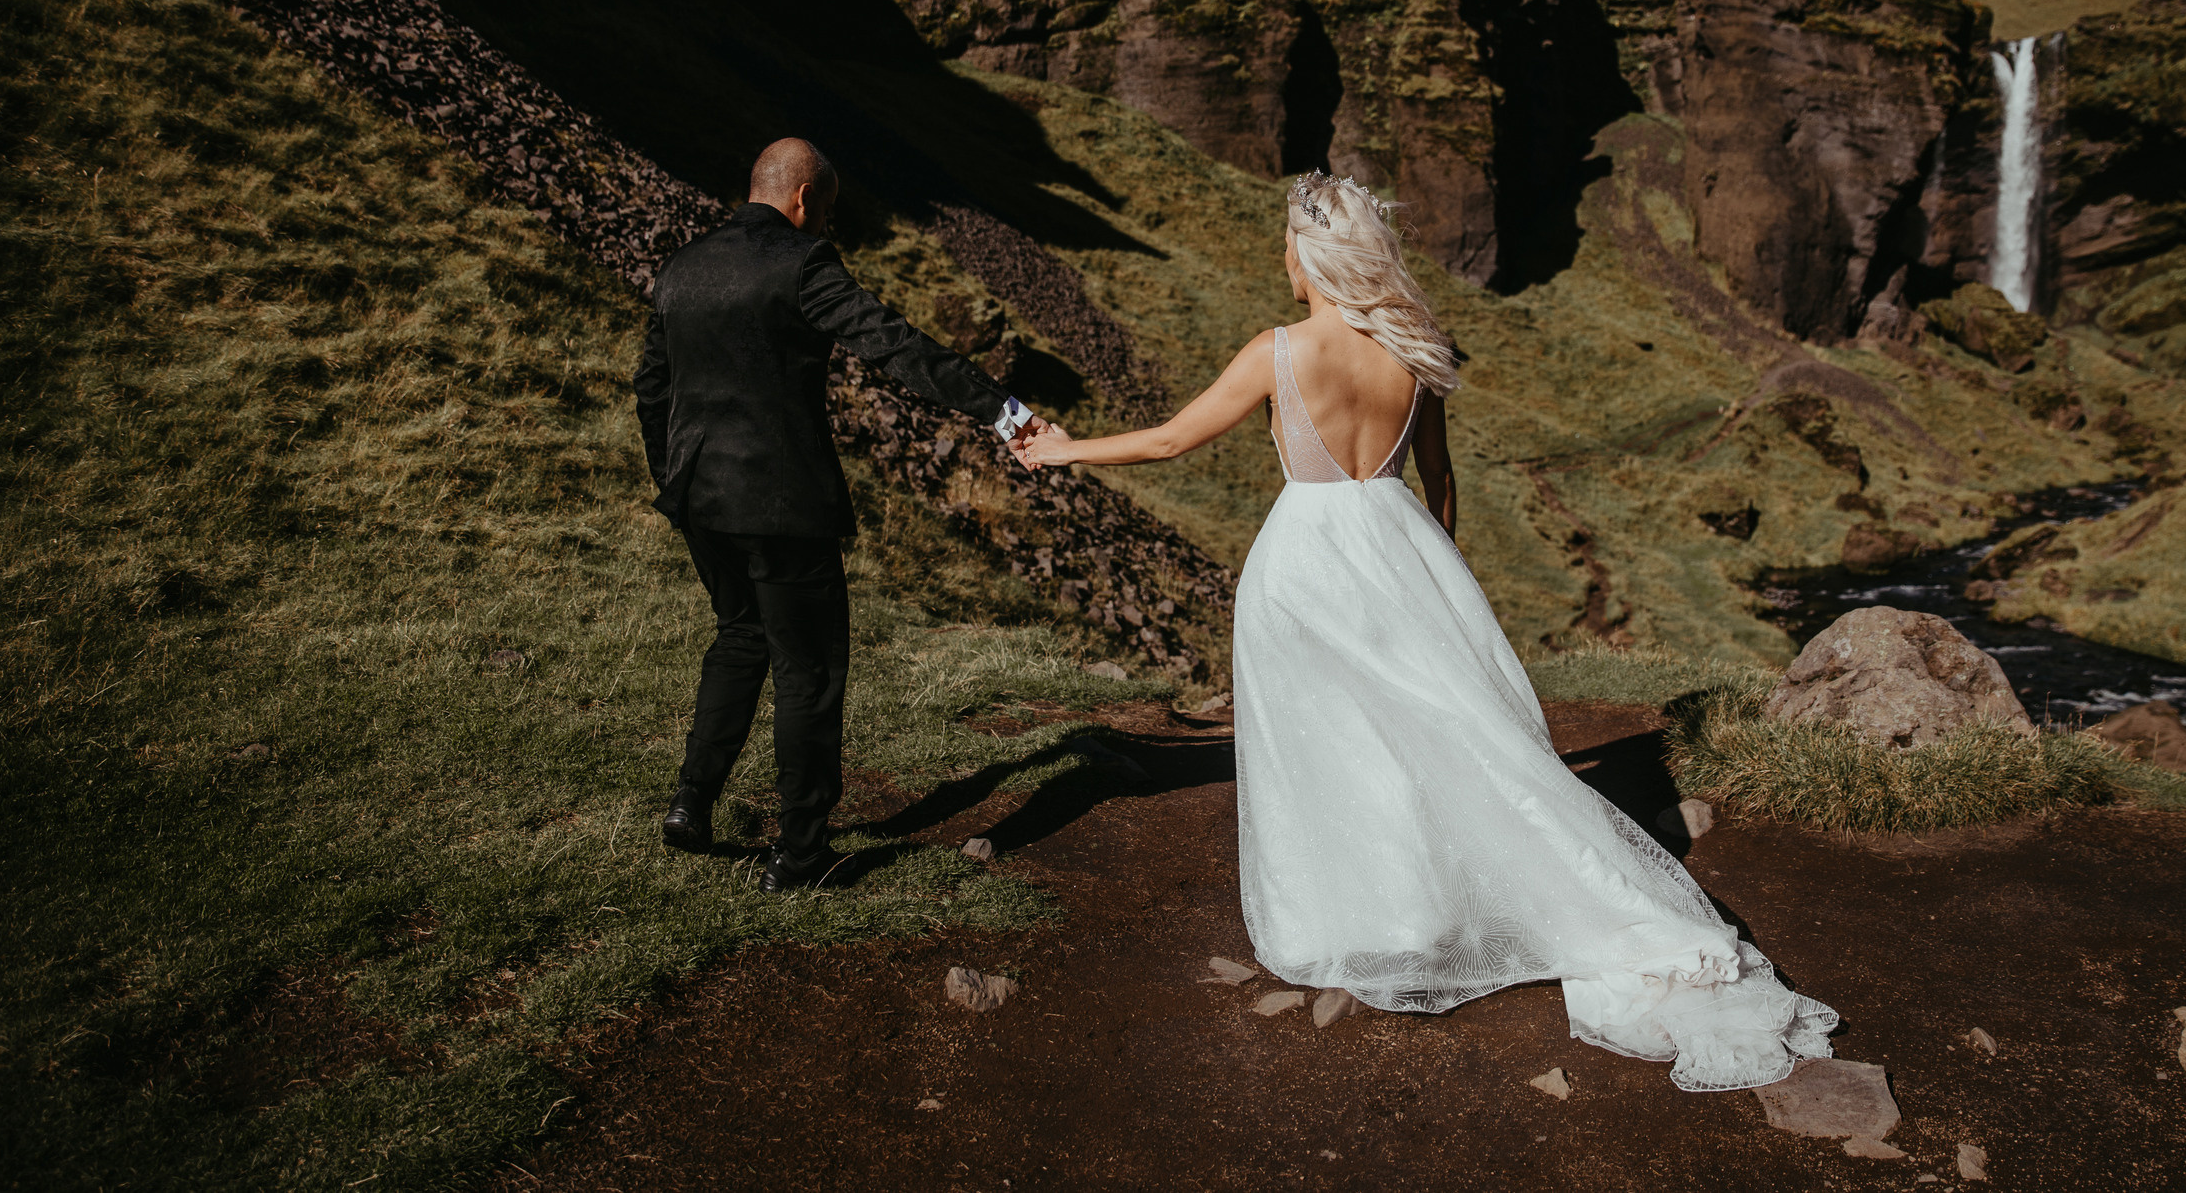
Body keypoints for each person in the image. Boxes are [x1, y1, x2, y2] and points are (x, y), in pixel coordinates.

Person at [1014, 170, 1837, 1089]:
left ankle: (1371, 918)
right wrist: (1428, 575)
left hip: (1305, 565)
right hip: (1402, 545)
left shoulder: (1281, 349)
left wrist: (1061, 448)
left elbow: (1171, 441)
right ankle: (1437, 907)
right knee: (1430, 734)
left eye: (1288, 242)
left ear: (1312, 252)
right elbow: (1440, 482)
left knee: (1331, 739)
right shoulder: (1415, 348)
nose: (1282, 257)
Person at [634, 138, 1027, 892]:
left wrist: (673, 476)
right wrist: (1003, 411)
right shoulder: (802, 263)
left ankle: (692, 799)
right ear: (803, 200)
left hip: (699, 500)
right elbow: (894, 346)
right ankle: (801, 852)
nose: (828, 227)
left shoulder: (682, 266)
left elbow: (651, 386)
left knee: (739, 636)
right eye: (830, 212)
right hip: (782, 505)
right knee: (808, 673)